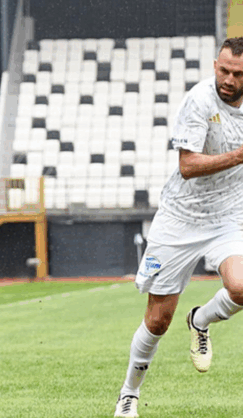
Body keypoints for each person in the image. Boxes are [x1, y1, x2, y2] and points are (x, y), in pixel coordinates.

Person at [114, 37, 243, 417]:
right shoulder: (199, 100)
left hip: (228, 216)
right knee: (158, 320)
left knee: (241, 286)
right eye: (224, 70)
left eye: (238, 74)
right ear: (214, 66)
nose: (229, 80)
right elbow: (187, 166)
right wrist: (239, 156)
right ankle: (129, 395)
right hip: (181, 217)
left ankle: (200, 319)